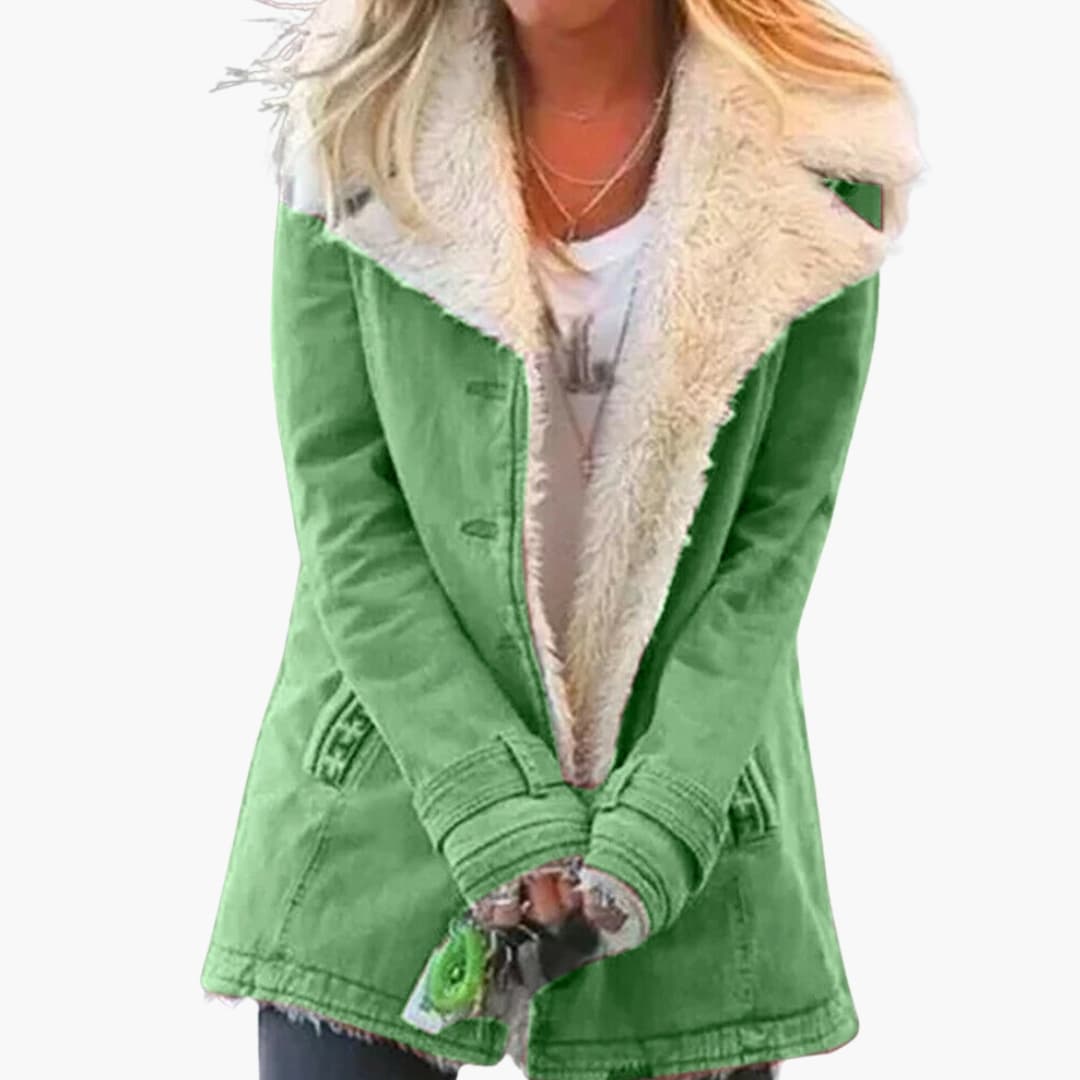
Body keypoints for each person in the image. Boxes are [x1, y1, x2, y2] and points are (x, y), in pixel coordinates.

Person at [200, 1, 924, 1078]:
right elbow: (345, 508)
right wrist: (483, 791)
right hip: (388, 781)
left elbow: (776, 538)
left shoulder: (819, 143)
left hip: (687, 799)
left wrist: (668, 810)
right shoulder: (352, 117)